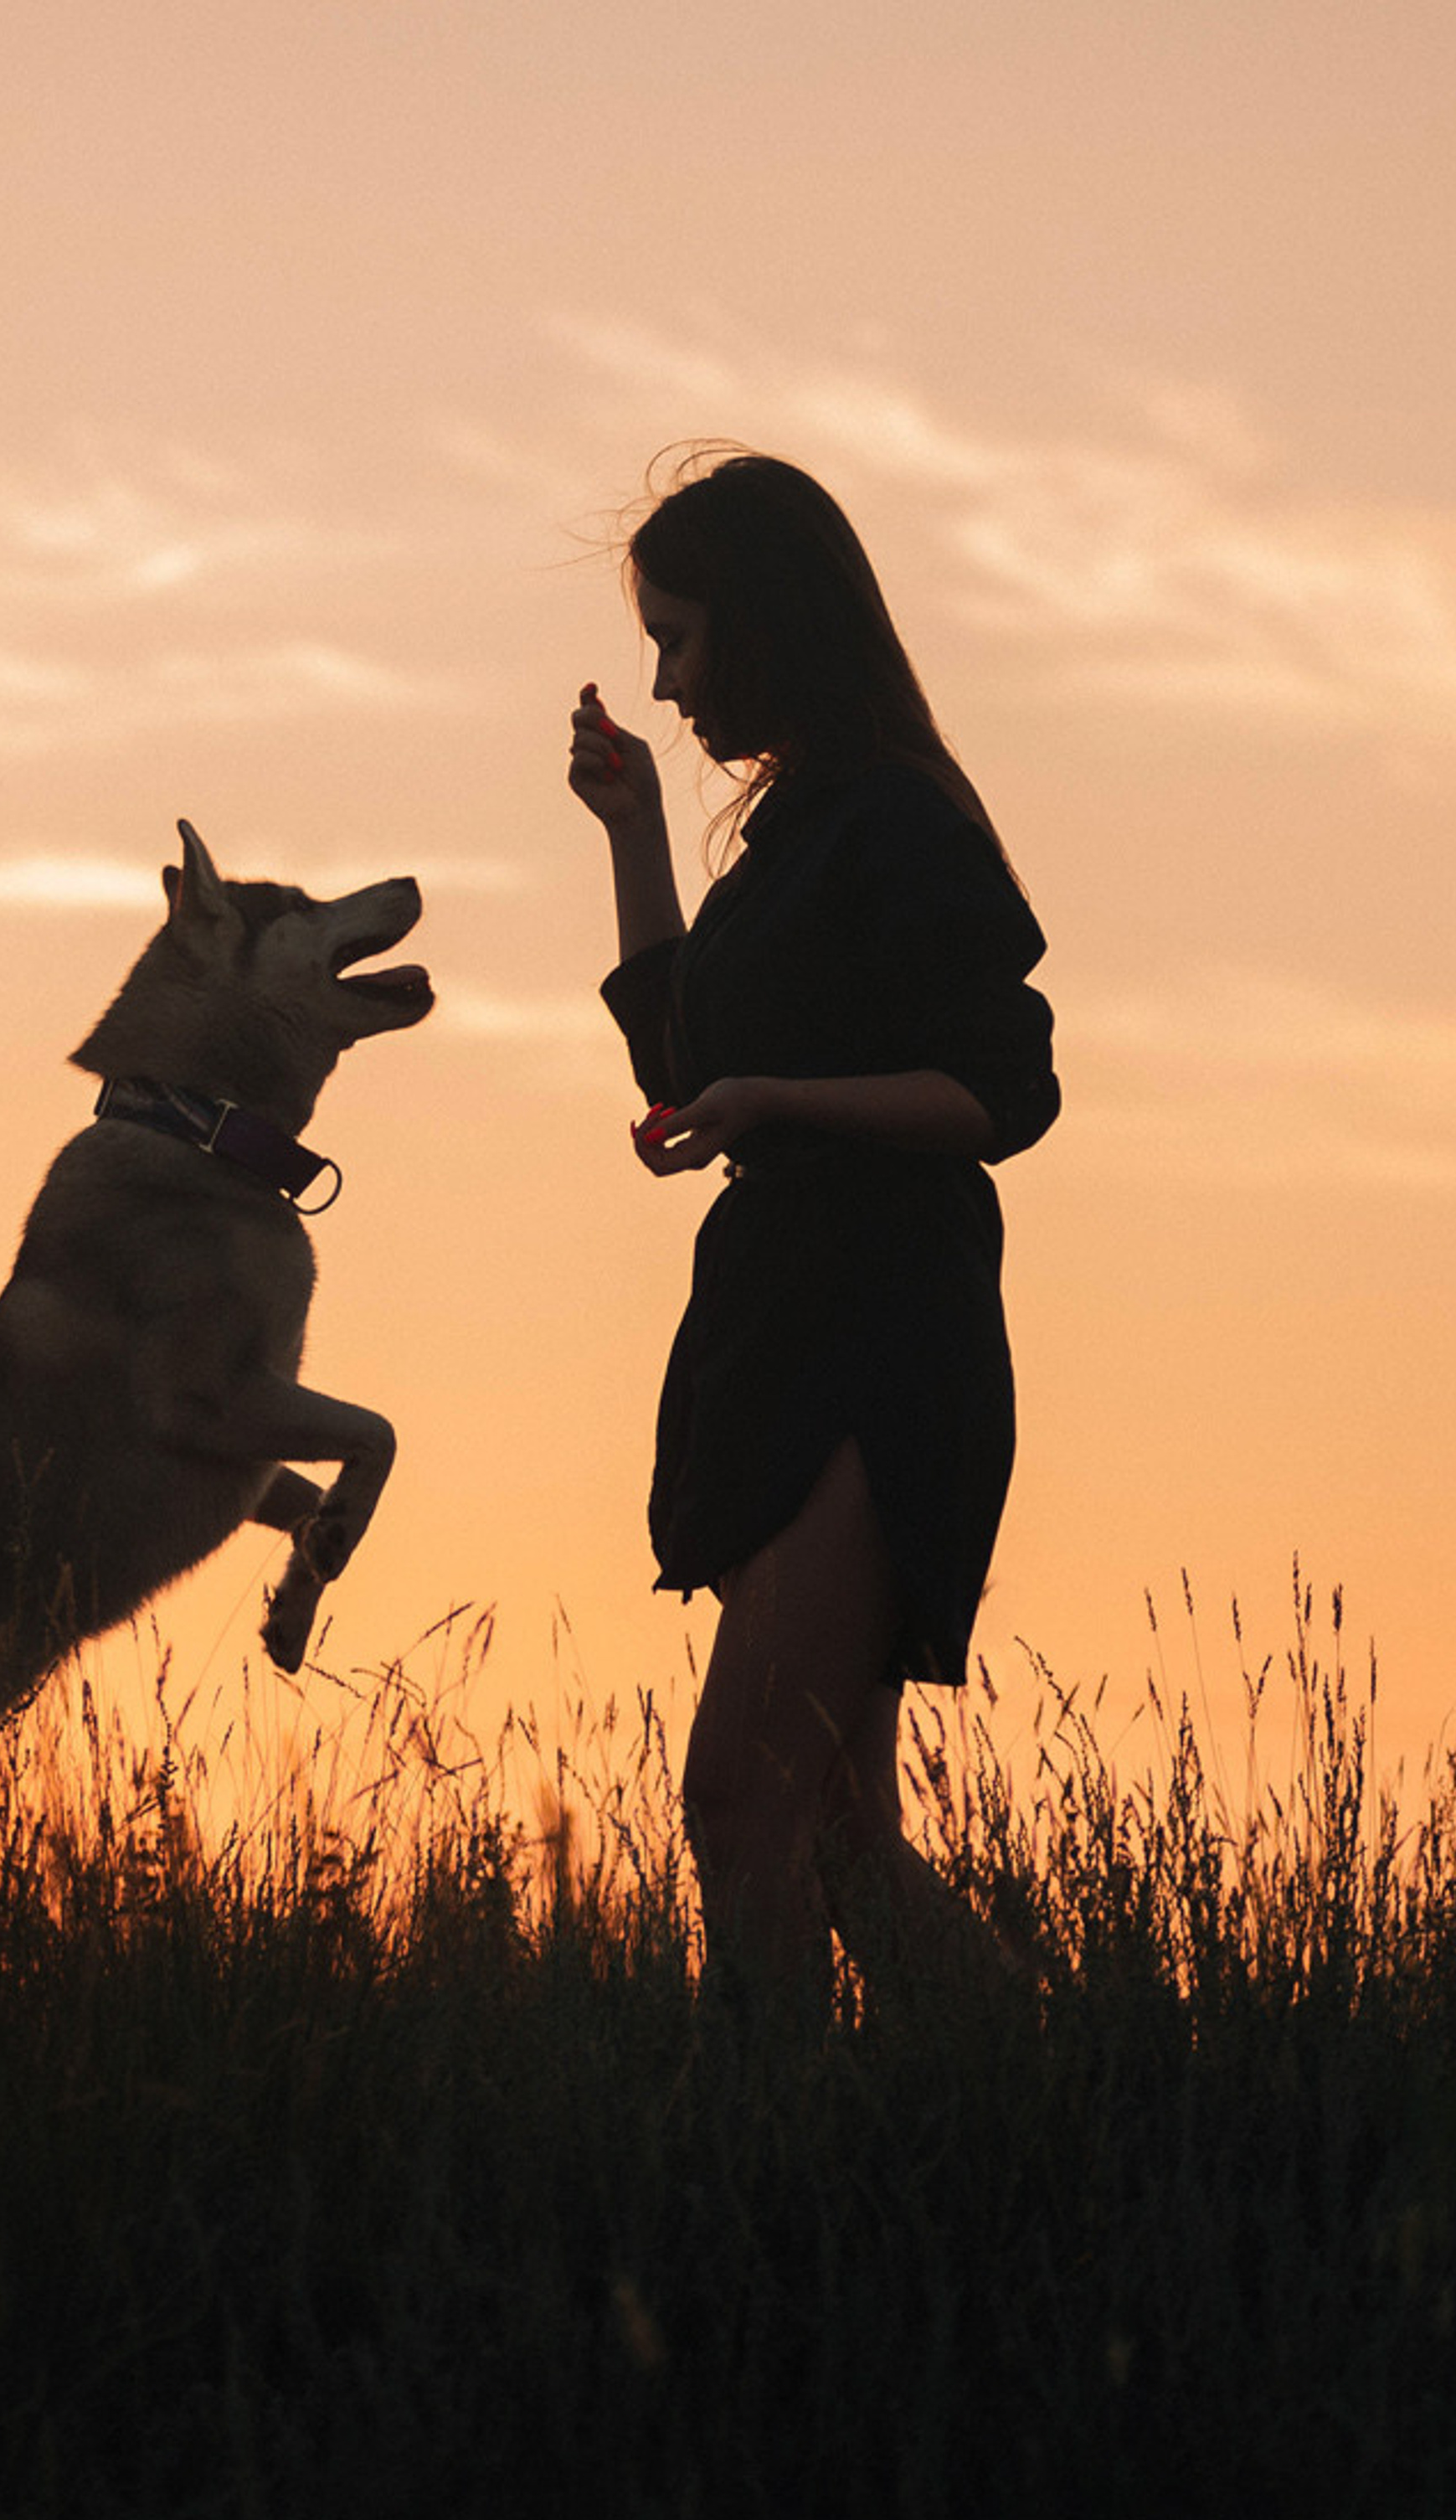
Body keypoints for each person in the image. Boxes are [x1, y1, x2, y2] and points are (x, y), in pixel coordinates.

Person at [567, 451, 1058, 2021]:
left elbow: (1002, 1092)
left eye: (685, 639)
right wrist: (636, 830)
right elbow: (683, 1064)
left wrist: (782, 1096)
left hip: (880, 1339)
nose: (669, 681)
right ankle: (1063, 2113)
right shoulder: (790, 838)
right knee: (841, 1835)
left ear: (771, 624)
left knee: (741, 1799)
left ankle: (760, 2179)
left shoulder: (901, 821)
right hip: (777, 1331)